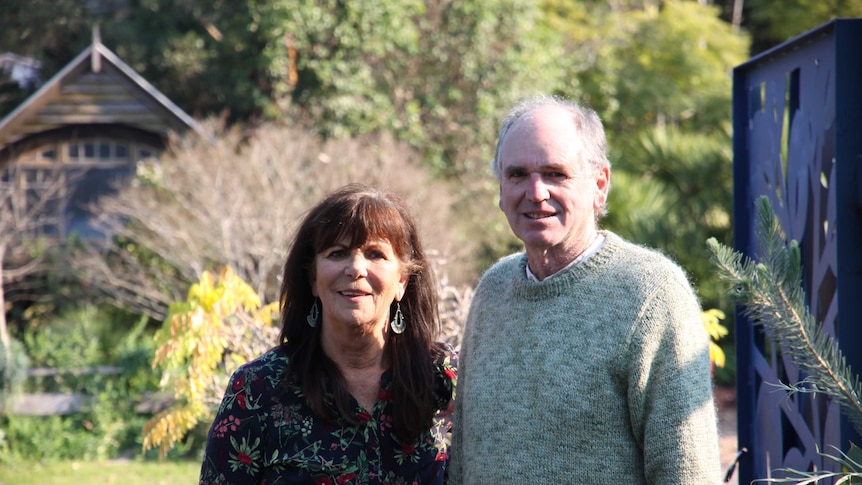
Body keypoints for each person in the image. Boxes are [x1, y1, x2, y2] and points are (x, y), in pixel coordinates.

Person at [449, 95, 721, 484]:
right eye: (517, 174)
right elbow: (463, 461)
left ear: (599, 185)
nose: (536, 192)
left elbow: (688, 471)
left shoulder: (651, 293)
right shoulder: (493, 290)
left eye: (556, 174)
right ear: (500, 189)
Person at [199, 184, 458, 484]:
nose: (355, 268)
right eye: (337, 253)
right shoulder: (258, 389)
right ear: (312, 278)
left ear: (402, 280)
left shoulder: (443, 377)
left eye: (375, 254)